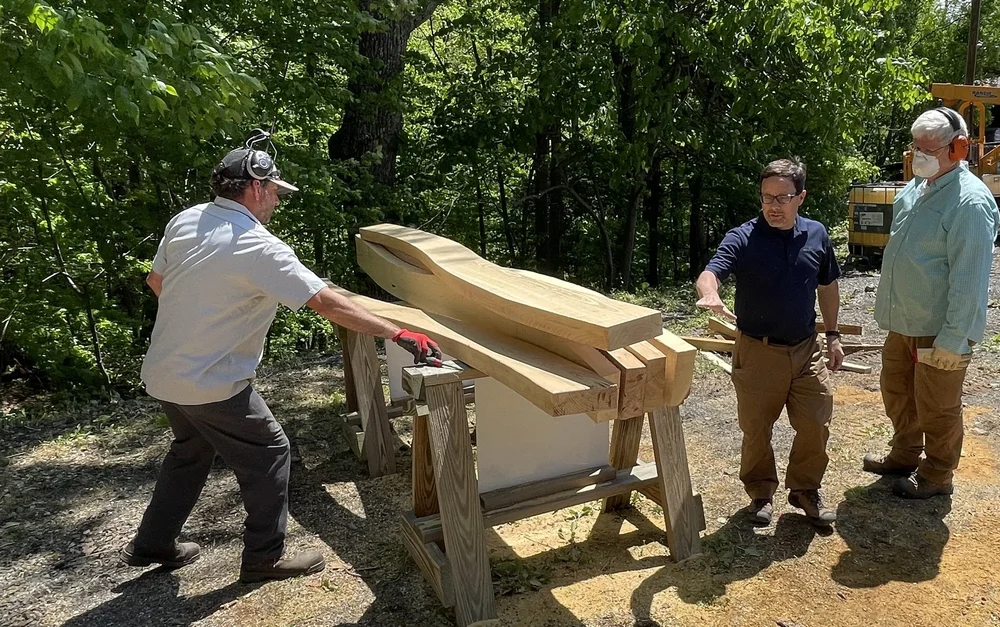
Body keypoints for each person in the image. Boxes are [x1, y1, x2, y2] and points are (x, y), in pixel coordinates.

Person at [120, 131, 442, 583]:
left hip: (164, 371)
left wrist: (202, 315)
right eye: (274, 191)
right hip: (211, 382)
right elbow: (326, 302)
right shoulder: (258, 245)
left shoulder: (187, 219)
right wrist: (397, 332)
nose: (276, 201)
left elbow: (157, 283)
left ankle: (152, 543)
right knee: (271, 452)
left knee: (190, 449)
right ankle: (263, 559)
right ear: (255, 187)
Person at [695, 158, 844, 527]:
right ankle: (760, 493)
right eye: (766, 198)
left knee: (816, 420)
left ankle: (805, 489)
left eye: (783, 197)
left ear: (801, 197)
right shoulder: (743, 237)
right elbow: (710, 272)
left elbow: (827, 285)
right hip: (758, 351)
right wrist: (710, 293)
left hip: (806, 348)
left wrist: (834, 335)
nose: (773, 206)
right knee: (757, 428)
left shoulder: (816, 235)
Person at [865, 108, 999, 498]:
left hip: (939, 330)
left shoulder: (970, 203)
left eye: (927, 149)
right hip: (904, 321)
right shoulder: (916, 188)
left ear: (958, 148)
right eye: (915, 147)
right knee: (898, 392)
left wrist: (953, 340)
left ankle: (937, 475)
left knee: (938, 406)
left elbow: (969, 281)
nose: (918, 156)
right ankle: (904, 454)